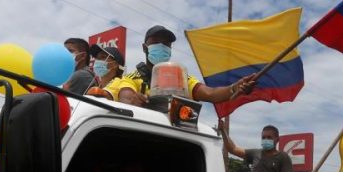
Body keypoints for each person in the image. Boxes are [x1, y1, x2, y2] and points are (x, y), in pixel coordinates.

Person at [103, 25, 257, 106]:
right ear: (144, 48)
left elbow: (210, 94)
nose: (161, 46)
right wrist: (135, 103)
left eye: (166, 44)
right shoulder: (132, 78)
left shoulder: (180, 78)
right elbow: (126, 98)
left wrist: (234, 88)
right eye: (156, 42)